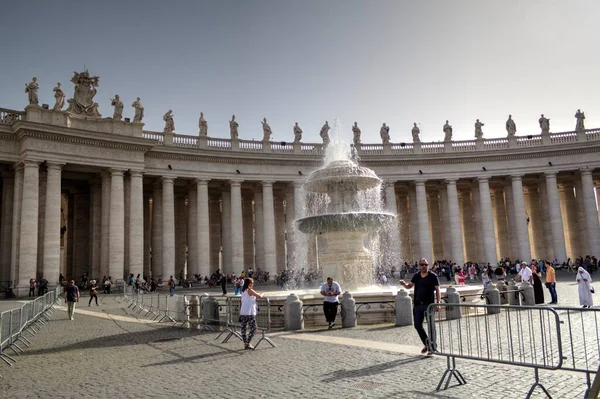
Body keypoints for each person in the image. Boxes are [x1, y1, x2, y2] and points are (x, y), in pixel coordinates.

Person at [399, 258, 441, 355]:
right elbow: (410, 286)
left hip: (429, 305)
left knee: (431, 326)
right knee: (417, 325)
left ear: (428, 265)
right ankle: (427, 343)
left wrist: (438, 302)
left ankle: (432, 348)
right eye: (422, 265)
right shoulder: (416, 276)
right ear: (419, 265)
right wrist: (404, 284)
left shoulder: (433, 276)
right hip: (418, 305)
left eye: (426, 265)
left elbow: (438, 290)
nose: (424, 266)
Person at [240, 277, 263, 350]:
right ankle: (247, 343)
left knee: (243, 329)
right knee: (254, 328)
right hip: (249, 312)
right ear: (249, 284)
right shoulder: (249, 290)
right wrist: (263, 293)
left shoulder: (243, 291)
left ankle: (245, 343)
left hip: (243, 312)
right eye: (252, 283)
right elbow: (259, 296)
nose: (253, 285)